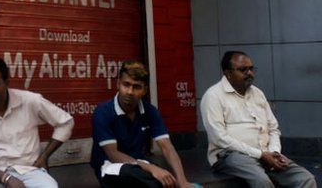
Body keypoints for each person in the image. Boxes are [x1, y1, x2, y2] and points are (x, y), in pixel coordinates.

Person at [200, 51, 316, 188]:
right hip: (230, 156)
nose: (249, 73)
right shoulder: (213, 96)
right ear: (228, 73)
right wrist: (260, 154)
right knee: (262, 182)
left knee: (306, 178)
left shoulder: (257, 93)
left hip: (265, 153)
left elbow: (273, 128)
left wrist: (274, 153)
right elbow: (218, 138)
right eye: (243, 70)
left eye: (251, 69)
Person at [0, 56, 74, 188]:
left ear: (6, 83)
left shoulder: (30, 101)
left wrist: (44, 156)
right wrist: (6, 178)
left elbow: (65, 123)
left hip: (29, 171)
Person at [90, 60, 194, 188]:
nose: (129, 91)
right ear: (118, 84)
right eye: (126, 85)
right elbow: (113, 154)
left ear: (144, 90)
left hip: (139, 165)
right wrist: (151, 168)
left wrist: (183, 181)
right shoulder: (103, 111)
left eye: (136, 87)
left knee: (163, 179)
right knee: (148, 178)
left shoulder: (150, 111)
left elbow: (167, 147)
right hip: (110, 167)